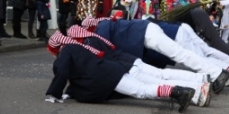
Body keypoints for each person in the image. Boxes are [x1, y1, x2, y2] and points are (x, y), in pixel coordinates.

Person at [47, 29, 212, 107]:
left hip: (109, 76)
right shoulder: (80, 46)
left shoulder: (68, 51)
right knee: (155, 80)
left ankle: (180, 91)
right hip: (114, 69)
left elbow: (62, 71)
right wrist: (69, 92)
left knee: (143, 89)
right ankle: (195, 90)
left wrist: (54, 93)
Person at [82, 17, 229, 94]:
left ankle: (217, 73)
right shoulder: (104, 24)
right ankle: (215, 72)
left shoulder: (101, 29)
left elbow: (105, 50)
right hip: (147, 33)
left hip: (146, 34)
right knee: (181, 54)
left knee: (180, 54)